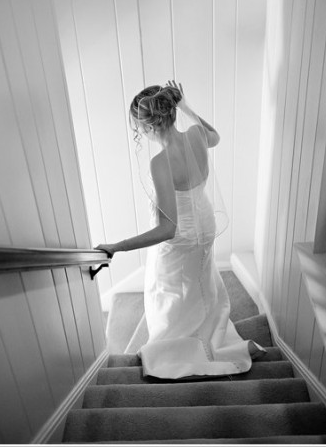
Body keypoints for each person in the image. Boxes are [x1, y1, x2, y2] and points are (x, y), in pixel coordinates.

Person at [96, 81, 263, 379]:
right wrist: (187, 107)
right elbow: (217, 137)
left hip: (182, 237)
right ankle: (206, 331)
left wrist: (116, 246)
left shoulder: (159, 163)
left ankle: (175, 346)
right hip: (206, 225)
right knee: (198, 281)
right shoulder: (197, 135)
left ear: (148, 127)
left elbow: (167, 229)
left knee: (168, 289)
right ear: (172, 112)